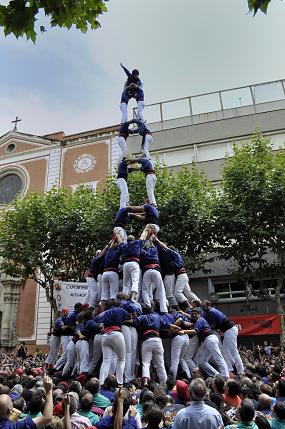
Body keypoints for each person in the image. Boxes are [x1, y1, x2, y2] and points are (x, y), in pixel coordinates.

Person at [180, 307, 229, 378]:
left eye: (195, 313)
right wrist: (183, 313)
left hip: (210, 339)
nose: (194, 315)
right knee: (202, 362)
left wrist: (184, 331)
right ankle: (217, 375)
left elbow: (195, 331)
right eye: (193, 314)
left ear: (200, 314)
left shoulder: (200, 320)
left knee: (218, 358)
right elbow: (190, 321)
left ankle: (226, 376)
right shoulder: (198, 321)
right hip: (207, 341)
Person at [202, 300, 244, 376]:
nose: (203, 308)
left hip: (230, 330)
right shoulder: (211, 311)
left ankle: (241, 371)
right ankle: (230, 369)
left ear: (208, 305)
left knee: (234, 352)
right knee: (225, 351)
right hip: (228, 331)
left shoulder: (211, 312)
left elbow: (212, 326)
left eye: (204, 306)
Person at [95, 301, 132, 387]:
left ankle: (101, 383)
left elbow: (98, 320)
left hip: (105, 336)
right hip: (117, 334)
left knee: (106, 361)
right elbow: (130, 317)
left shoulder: (105, 312)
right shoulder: (120, 310)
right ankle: (119, 383)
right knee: (121, 359)